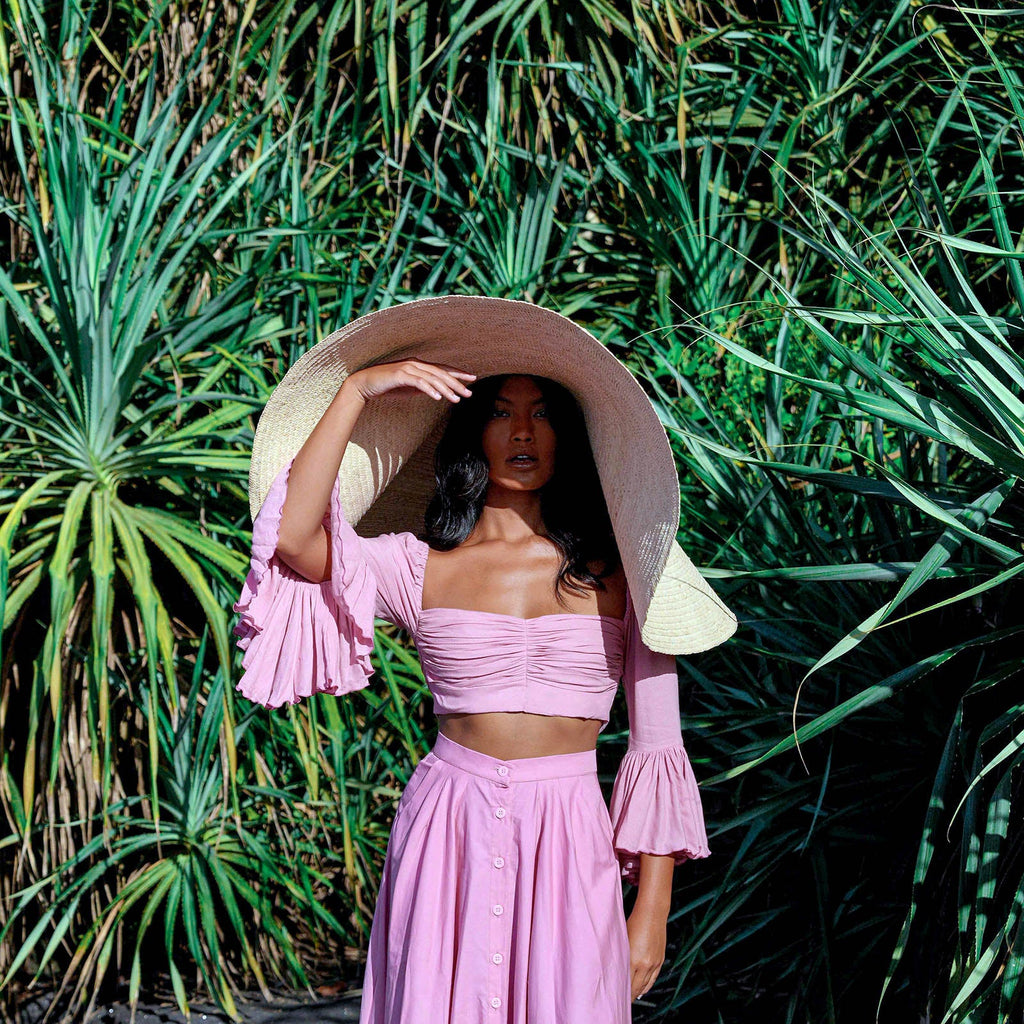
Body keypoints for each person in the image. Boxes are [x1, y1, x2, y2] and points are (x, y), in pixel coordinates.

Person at [232, 296, 737, 1023]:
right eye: (500, 412)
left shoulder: (626, 568)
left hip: (568, 836)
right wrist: (357, 390)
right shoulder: (414, 565)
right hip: (447, 830)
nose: (523, 431)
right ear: (473, 433)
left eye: (542, 413)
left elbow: (658, 745)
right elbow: (292, 539)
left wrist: (651, 907)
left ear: (571, 435)